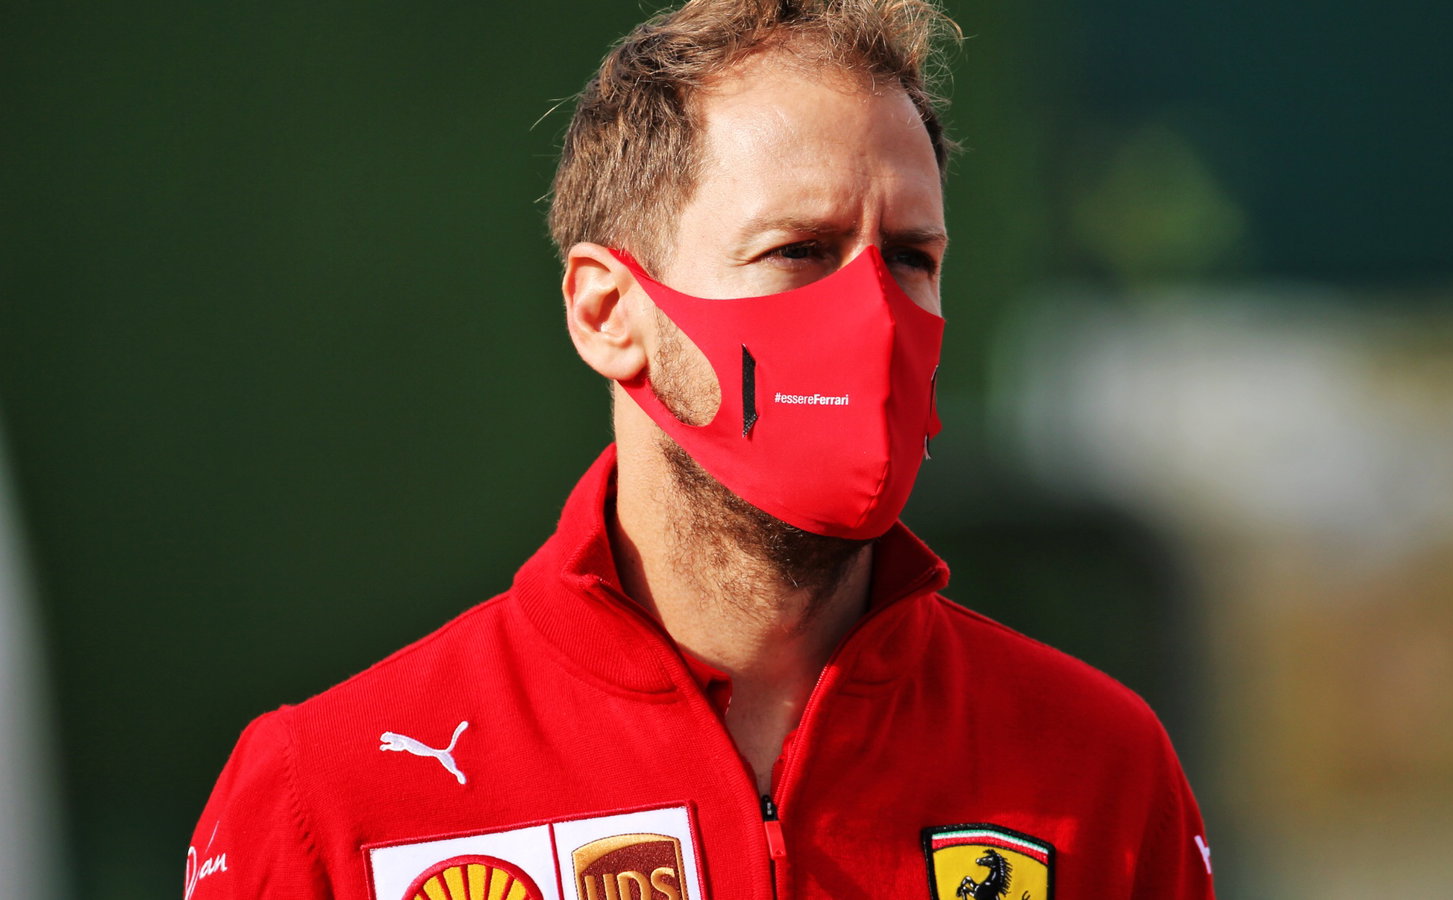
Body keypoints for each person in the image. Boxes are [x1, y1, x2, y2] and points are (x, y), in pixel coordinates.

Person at [186, 1, 1215, 898]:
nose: (871, 315)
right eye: (798, 251)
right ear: (607, 312)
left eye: (910, 257)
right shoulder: (331, 794)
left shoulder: (1098, 772)